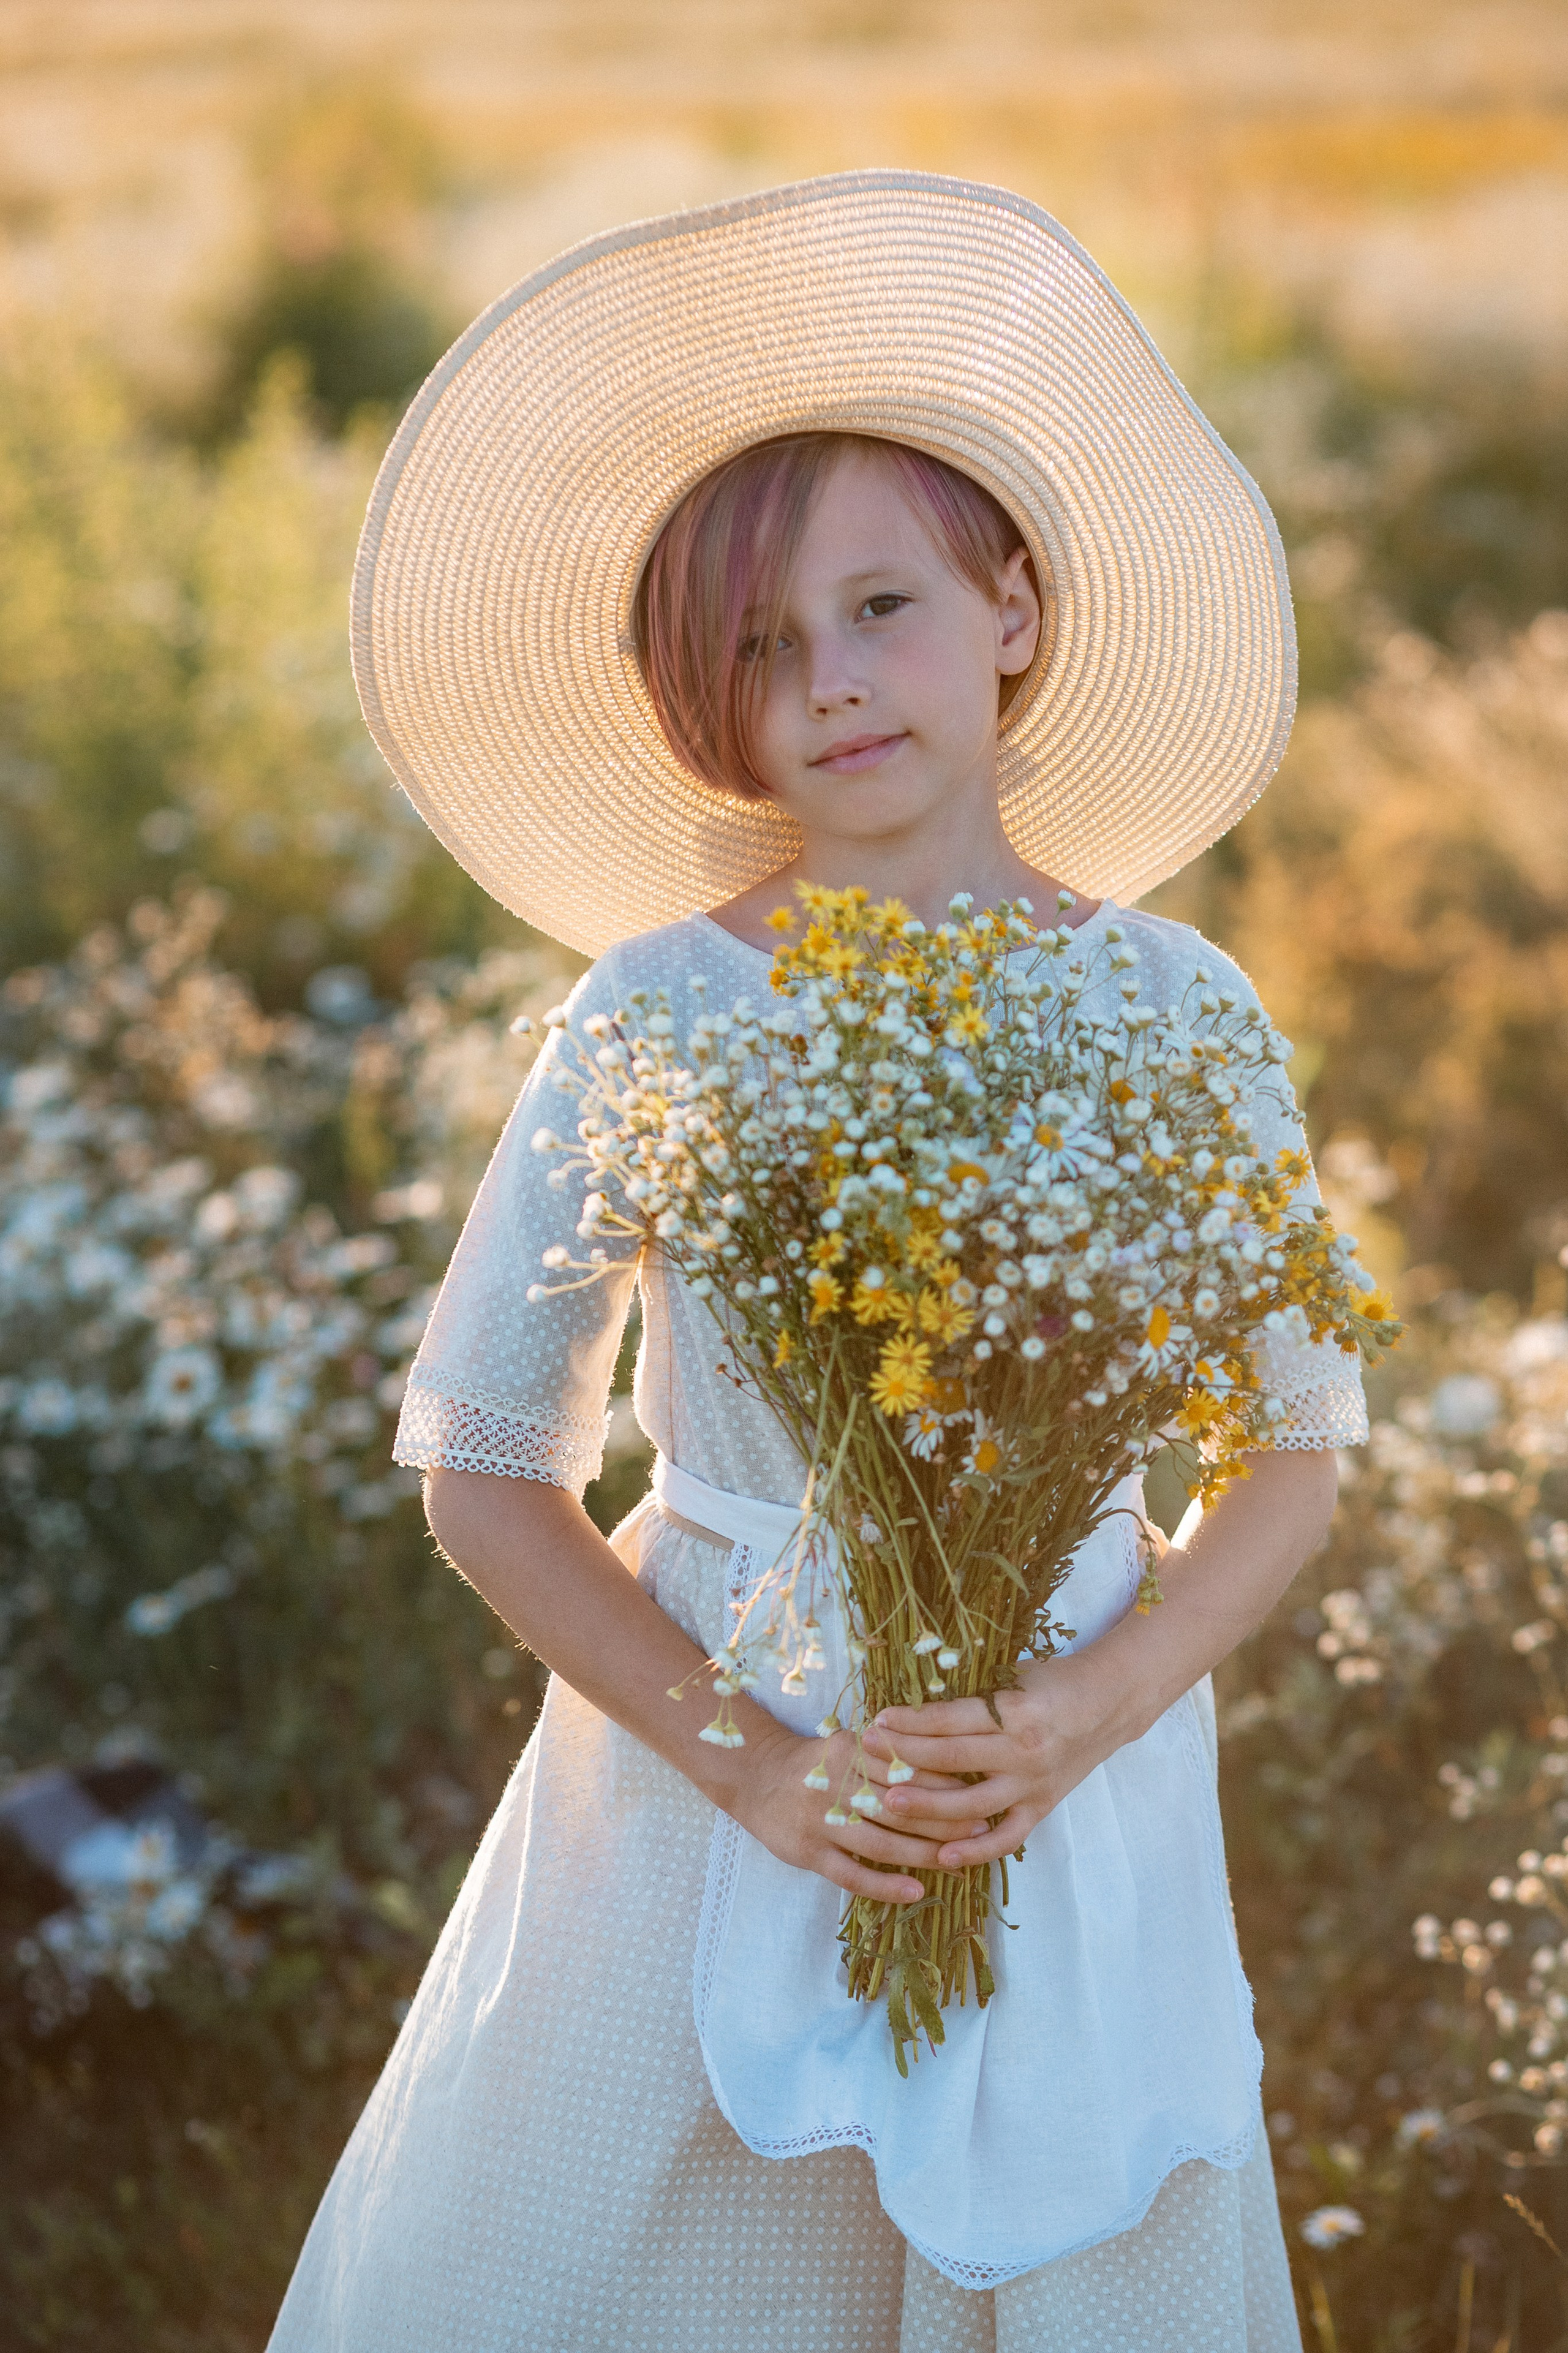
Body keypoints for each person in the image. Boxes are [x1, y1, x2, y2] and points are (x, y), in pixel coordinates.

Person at [270, 172, 1366, 2352]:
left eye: (883, 607)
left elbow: (1296, 1451)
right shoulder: (657, 1011)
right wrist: (758, 1759)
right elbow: (485, 1465)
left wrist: (1072, 1716)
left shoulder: (1178, 1012)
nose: (831, 686)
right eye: (761, 650)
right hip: (712, 1787)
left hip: (1069, 1781)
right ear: (708, 707)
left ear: (1020, 606)